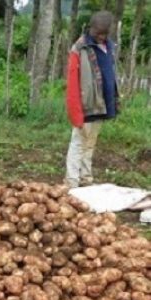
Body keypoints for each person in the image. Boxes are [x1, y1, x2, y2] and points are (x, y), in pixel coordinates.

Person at [65, 11, 119, 188]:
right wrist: (75, 112)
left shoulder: (109, 46)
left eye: (105, 33)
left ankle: (86, 178)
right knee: (78, 143)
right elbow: (73, 84)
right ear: (91, 28)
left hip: (101, 105)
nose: (102, 36)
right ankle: (72, 181)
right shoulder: (79, 49)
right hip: (85, 105)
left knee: (90, 144)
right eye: (98, 33)